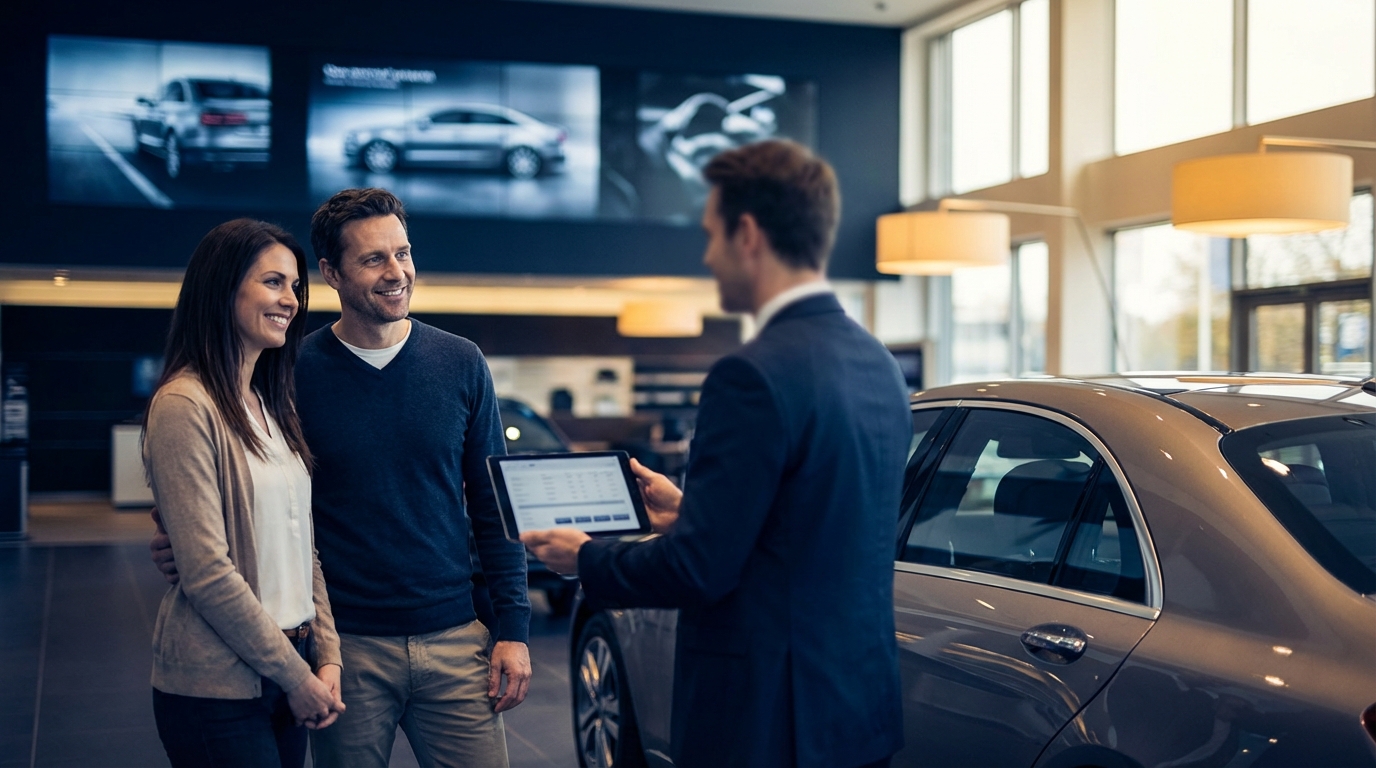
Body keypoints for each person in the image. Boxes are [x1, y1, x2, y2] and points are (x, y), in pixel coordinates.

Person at [521, 140, 910, 768]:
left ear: (748, 234)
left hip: (765, 721)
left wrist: (586, 557)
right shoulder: (878, 363)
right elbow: (809, 528)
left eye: (711, 235)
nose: (707, 256)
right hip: (854, 712)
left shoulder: (751, 375)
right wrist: (693, 512)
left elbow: (701, 571)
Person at [153, 188, 531, 768]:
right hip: (342, 650)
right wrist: (177, 539)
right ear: (330, 272)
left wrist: (514, 626)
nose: (396, 272)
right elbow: (246, 497)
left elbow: (494, 504)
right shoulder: (288, 372)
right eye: (373, 259)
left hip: (455, 638)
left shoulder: (461, 362)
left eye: (402, 253)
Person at [144, 218, 345, 768]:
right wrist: (295, 673)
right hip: (218, 686)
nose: (292, 301)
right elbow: (207, 573)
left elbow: (303, 546)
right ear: (223, 288)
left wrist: (326, 656)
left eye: (296, 287)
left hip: (290, 664)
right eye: (274, 283)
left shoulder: (269, 405)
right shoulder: (185, 406)